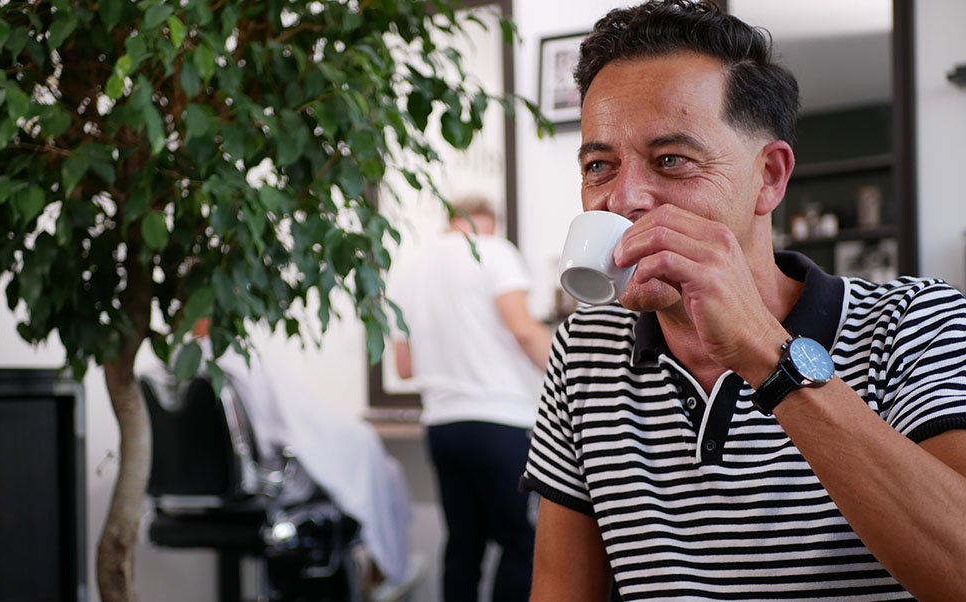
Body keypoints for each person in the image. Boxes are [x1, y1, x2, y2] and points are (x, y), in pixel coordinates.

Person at [519, 2, 966, 601]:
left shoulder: (914, 322)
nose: (622, 198)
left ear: (771, 177)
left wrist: (762, 350)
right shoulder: (586, 350)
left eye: (671, 160)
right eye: (600, 165)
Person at [140, 319, 422, 601]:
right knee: (375, 464)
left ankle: (375, 570)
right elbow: (298, 425)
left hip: (191, 499)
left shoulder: (171, 367)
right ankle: (381, 568)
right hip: (265, 491)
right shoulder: (236, 361)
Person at [389, 196, 552, 602]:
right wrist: (577, 374)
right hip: (499, 422)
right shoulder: (493, 250)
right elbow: (525, 331)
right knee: (521, 543)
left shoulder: (409, 268)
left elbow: (404, 365)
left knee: (464, 544)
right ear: (488, 224)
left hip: (442, 428)